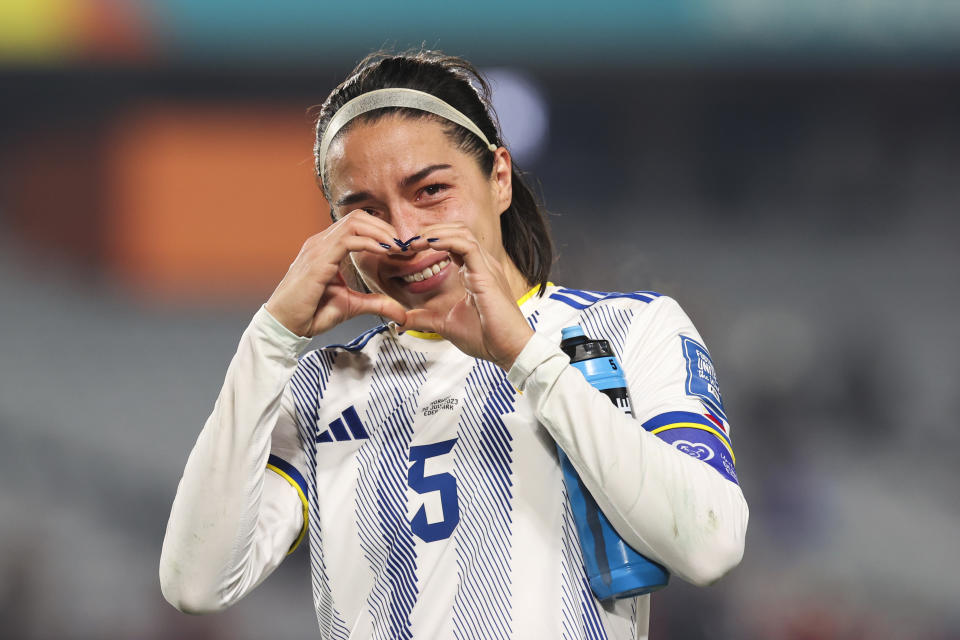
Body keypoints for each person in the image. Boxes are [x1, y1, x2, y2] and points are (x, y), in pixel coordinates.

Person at [159, 50, 748, 640]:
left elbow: (710, 546)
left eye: (432, 190)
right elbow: (197, 584)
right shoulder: (320, 386)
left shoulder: (628, 329)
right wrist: (269, 339)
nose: (404, 235)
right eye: (363, 211)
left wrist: (526, 356)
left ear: (499, 177)